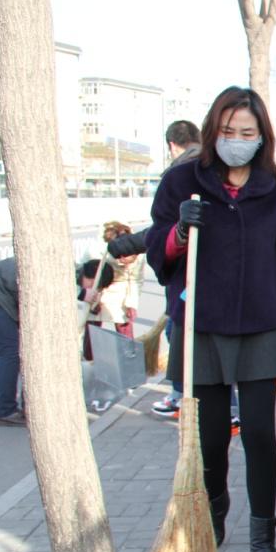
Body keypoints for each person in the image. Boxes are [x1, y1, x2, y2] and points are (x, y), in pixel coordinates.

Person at [145, 86, 276, 552]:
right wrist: (180, 232)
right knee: (212, 436)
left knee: (261, 433)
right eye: (227, 132)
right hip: (202, 325)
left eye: (247, 132)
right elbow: (159, 250)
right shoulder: (184, 181)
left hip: (262, 324)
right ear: (211, 132)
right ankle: (214, 516)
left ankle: (264, 535)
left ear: (262, 135)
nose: (236, 141)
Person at [104, 120, 202, 418]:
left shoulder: (183, 174)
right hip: (191, 278)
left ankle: (193, 399)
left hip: (194, 278)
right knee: (180, 333)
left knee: (183, 335)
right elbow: (165, 232)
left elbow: (162, 231)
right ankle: (183, 395)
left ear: (172, 145)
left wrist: (129, 244)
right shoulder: (208, 167)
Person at [0, 256, 111, 426]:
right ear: (92, 278)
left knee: (28, 350)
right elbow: (45, 290)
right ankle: (6, 411)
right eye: (95, 287)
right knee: (10, 351)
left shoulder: (70, 277)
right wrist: (82, 293)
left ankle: (30, 407)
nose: (94, 292)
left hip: (2, 297)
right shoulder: (62, 272)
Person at [96, 221, 145, 340]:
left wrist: (131, 305)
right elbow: (92, 279)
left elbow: (135, 280)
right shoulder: (98, 252)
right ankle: (90, 356)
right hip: (101, 289)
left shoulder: (138, 254)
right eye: (123, 261)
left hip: (123, 292)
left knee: (125, 329)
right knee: (93, 330)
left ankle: (128, 356)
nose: (125, 264)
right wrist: (95, 299)